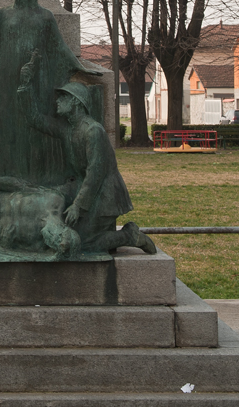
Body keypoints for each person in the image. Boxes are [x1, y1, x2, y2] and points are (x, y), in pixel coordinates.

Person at [0, 0, 102, 182]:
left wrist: (79, 66)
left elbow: (59, 46)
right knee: (9, 126)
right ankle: (7, 172)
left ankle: (37, 176)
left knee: (35, 128)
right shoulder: (3, 16)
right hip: (7, 81)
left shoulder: (45, 17)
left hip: (38, 83)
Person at [17, 51, 156, 254]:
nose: (57, 101)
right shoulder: (68, 129)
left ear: (75, 102)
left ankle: (129, 236)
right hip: (85, 189)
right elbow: (35, 119)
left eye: (63, 97)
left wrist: (78, 206)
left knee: (83, 244)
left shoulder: (93, 131)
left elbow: (95, 174)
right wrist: (25, 85)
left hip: (105, 194)